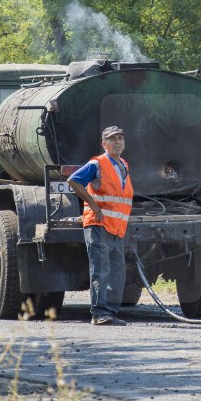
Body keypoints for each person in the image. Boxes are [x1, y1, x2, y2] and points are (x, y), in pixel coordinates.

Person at [68, 126, 133, 326]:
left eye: (121, 138)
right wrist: (93, 205)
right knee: (101, 270)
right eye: (113, 139)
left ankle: (110, 313)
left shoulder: (123, 164)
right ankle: (99, 313)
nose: (118, 142)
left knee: (117, 272)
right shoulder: (97, 163)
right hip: (98, 224)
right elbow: (74, 181)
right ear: (104, 144)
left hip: (116, 227)